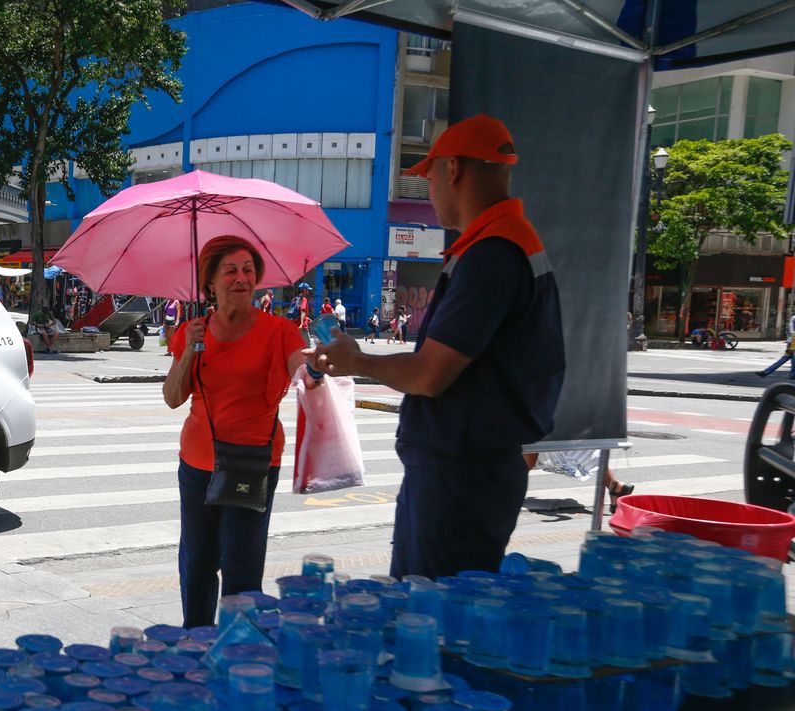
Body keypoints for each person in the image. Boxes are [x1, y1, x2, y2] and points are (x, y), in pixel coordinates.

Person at [314, 114, 565, 579]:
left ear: (452, 170)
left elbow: (430, 374)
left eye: (429, 177)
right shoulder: (496, 246)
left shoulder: (493, 254)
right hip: (463, 469)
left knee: (433, 616)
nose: (428, 192)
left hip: (462, 475)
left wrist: (357, 360)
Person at [163, 236, 314, 629]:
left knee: (242, 569)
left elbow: (302, 367)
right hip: (197, 465)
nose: (241, 278)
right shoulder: (190, 332)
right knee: (197, 563)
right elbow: (173, 398)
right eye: (230, 270)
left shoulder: (279, 331)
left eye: (248, 270)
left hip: (252, 464)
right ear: (210, 282)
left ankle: (239, 654)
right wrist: (189, 350)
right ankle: (194, 646)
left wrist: (314, 369)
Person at [523, 452, 634, 512]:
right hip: (583, 431)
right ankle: (615, 487)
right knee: (590, 456)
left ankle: (511, 488)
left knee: (530, 444)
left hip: (558, 432)